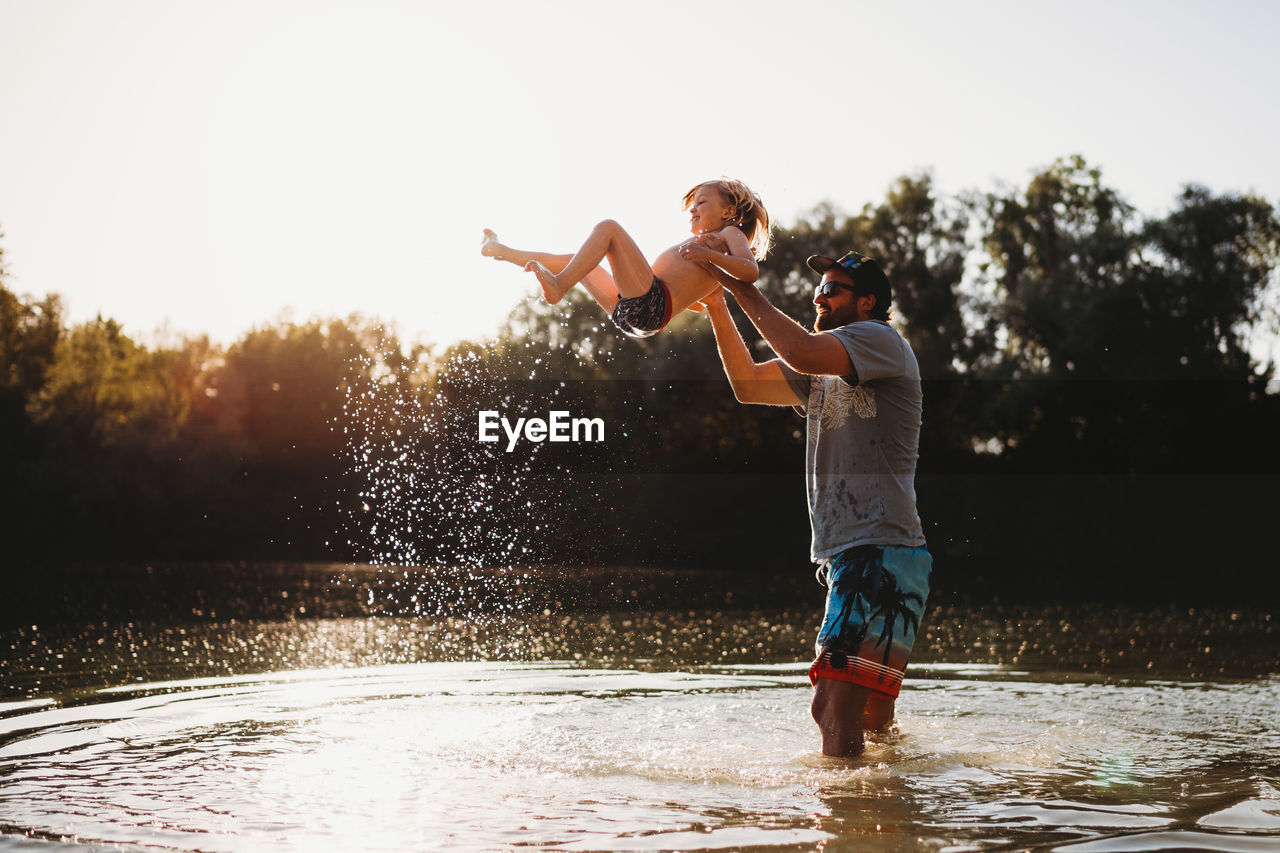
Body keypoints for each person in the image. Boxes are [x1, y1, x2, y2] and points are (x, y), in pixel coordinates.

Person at [697, 247, 931, 758]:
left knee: (829, 705)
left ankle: (842, 824)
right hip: (884, 555)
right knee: (871, 718)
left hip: (874, 551)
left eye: (832, 289)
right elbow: (746, 386)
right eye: (818, 287)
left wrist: (739, 286)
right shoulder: (826, 365)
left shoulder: (879, 340)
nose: (818, 296)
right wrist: (717, 305)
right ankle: (885, 817)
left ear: (867, 301)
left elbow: (800, 350)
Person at [480, 179, 771, 337]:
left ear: (729, 211)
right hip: (632, 312)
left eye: (702, 203)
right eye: (692, 206)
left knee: (609, 229)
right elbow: (695, 300)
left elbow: (749, 271)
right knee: (578, 261)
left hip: (650, 305)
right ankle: (502, 251)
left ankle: (558, 285)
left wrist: (704, 253)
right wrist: (696, 286)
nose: (693, 210)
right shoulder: (711, 247)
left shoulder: (731, 234)